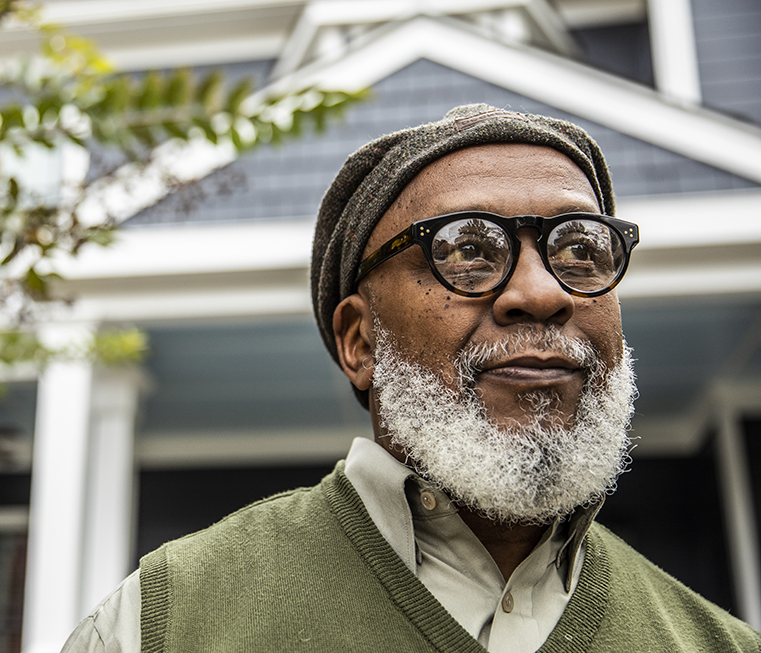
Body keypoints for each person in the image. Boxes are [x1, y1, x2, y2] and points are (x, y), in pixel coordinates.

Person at [61, 104, 761, 652]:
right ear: (360, 340)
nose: (542, 293)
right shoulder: (163, 622)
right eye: (467, 249)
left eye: (581, 248)